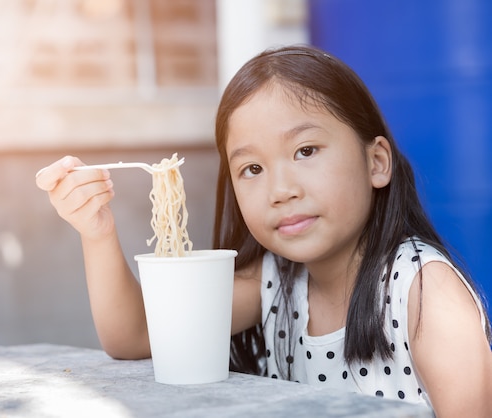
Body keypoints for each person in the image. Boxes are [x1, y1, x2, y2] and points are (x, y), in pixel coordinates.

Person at [36, 45, 492, 416]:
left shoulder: (424, 292)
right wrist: (96, 230)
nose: (280, 189)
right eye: (252, 167)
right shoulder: (275, 283)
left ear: (376, 162)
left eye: (306, 150)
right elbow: (136, 335)